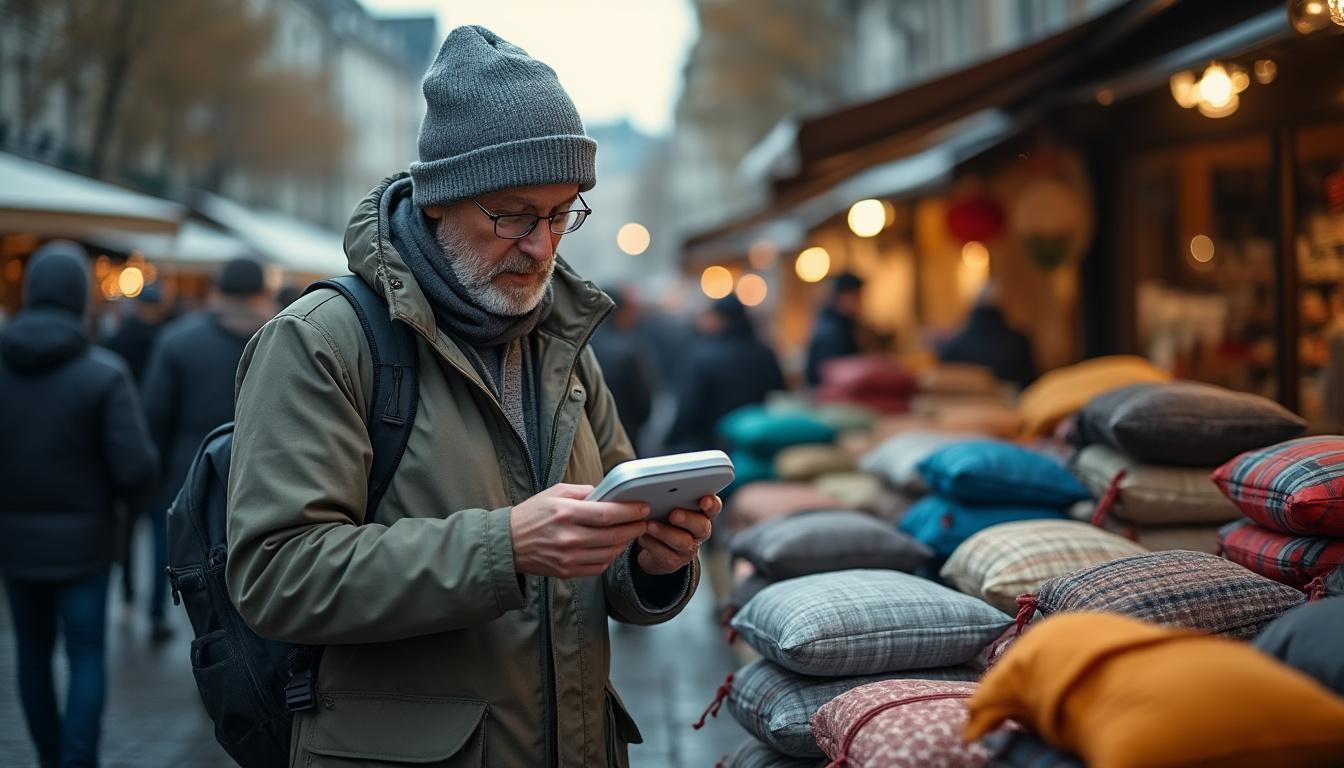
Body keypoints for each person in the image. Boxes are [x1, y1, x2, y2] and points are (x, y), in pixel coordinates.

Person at [225, 26, 714, 768]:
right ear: (436, 202)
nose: (542, 246)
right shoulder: (323, 340)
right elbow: (274, 575)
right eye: (513, 215)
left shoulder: (567, 346)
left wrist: (654, 562)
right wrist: (505, 546)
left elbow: (607, 561)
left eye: (560, 214)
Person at [0, 241, 158, 768]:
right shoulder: (104, 374)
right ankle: (77, 760)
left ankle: (49, 758)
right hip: (86, 545)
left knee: (31, 654)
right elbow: (135, 468)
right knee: (86, 653)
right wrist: (124, 511)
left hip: (15, 544)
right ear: (81, 298)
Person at [140, 256, 274, 642]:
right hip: (258, 474)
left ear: (217, 292)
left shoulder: (178, 340)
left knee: (169, 548)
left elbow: (154, 415)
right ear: (262, 293)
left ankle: (157, 612)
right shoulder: (282, 337)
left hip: (187, 471)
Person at [100, 284, 169, 606]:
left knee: (127, 527)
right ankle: (156, 608)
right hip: (160, 452)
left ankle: (127, 588)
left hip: (121, 445)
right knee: (159, 535)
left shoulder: (116, 342)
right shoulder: (167, 341)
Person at [666, 295, 786, 452]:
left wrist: (670, 440)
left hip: (709, 447)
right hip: (754, 444)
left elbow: (688, 407)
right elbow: (779, 394)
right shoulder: (765, 352)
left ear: (720, 318)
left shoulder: (701, 355)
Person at [590, 285, 654, 454]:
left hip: (587, 440)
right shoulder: (628, 349)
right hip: (625, 439)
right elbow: (644, 404)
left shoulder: (577, 345)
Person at [938, 281, 1037, 390]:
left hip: (957, 404)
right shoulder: (1019, 342)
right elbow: (1030, 382)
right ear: (1002, 305)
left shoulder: (954, 343)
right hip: (1008, 404)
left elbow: (942, 377)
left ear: (974, 304)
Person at [804, 271, 868, 386]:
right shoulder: (832, 331)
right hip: (830, 398)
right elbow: (833, 374)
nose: (860, 303)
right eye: (856, 297)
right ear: (843, 296)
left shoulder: (842, 324)